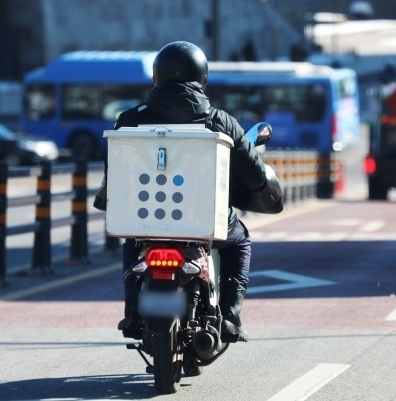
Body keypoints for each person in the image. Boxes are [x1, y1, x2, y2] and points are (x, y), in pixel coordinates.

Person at [95, 41, 271, 343]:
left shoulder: (129, 120)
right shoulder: (220, 122)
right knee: (239, 241)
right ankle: (229, 316)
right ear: (203, 80)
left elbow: (115, 173)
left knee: (133, 235)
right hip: (202, 220)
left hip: (146, 215)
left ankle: (133, 311)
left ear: (156, 78)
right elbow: (255, 176)